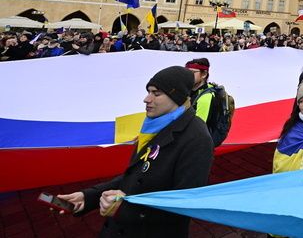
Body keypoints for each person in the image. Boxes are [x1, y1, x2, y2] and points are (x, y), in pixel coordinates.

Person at [57, 66, 214, 237]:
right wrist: (88, 197)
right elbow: (135, 176)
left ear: (176, 96)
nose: (146, 99)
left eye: (156, 93)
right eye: (148, 92)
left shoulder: (197, 138)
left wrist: (125, 209)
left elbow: (185, 205)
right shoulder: (155, 125)